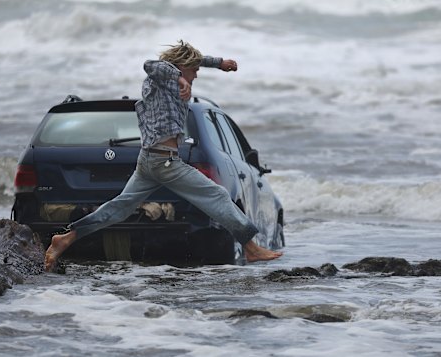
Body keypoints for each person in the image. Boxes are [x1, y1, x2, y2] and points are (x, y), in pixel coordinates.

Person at [44, 40, 282, 271]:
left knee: (119, 209)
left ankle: (66, 238)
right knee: (218, 195)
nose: (196, 75)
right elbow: (151, 64)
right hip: (164, 162)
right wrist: (179, 77)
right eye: (194, 71)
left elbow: (185, 62)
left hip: (149, 161)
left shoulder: (165, 83)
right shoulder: (161, 81)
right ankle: (251, 247)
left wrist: (219, 63)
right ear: (180, 69)